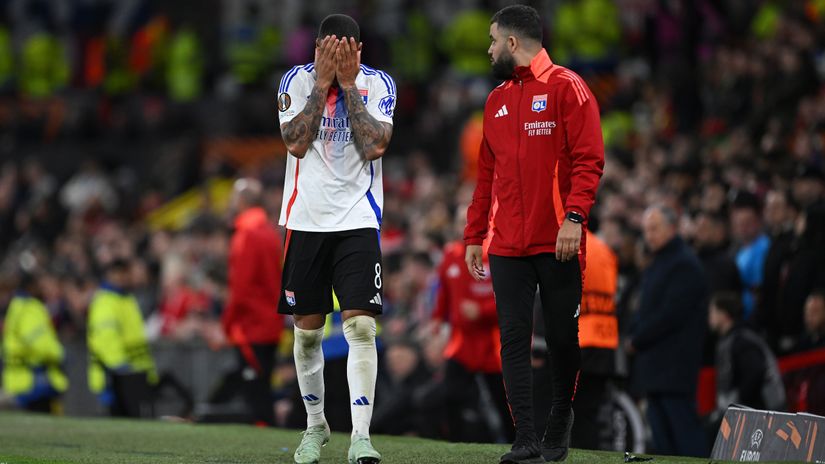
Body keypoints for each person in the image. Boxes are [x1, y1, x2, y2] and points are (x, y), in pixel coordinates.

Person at [464, 5, 604, 462]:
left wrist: (575, 218)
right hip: (506, 245)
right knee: (513, 339)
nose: (487, 50)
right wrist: (473, 235)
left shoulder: (568, 87)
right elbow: (486, 179)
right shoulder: (495, 102)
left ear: (511, 43)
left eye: (491, 41)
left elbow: (589, 160)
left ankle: (560, 416)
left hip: (558, 239)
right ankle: (525, 437)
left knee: (563, 338)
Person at [276, 13, 395, 464]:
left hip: (357, 218)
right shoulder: (296, 80)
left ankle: (360, 437)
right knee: (307, 335)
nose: (334, 59)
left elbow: (375, 146)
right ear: (315, 50)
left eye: (344, 51)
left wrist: (345, 85)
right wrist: (322, 81)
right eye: (327, 51)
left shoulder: (379, 84)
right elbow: (295, 143)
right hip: (305, 220)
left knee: (361, 326)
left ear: (359, 52)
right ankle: (315, 426)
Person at [628, 206, 708, 457]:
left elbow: (670, 315)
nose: (649, 236)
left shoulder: (684, 264)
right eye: (646, 230)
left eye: (655, 229)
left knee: (684, 436)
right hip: (656, 367)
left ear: (673, 228)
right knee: (663, 442)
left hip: (674, 366)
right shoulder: (661, 262)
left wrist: (637, 338)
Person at [210, 178, 285, 426]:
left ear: (242, 201)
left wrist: (226, 326)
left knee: (256, 394)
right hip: (271, 322)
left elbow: (239, 290)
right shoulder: (270, 233)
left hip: (252, 326)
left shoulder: (246, 235)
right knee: (262, 387)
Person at [431, 238, 513, 443]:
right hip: (462, 343)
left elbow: (510, 297)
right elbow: (444, 290)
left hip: (492, 343)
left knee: (504, 400)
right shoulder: (451, 254)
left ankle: (517, 441)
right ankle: (455, 443)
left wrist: (482, 310)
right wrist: (438, 317)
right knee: (450, 395)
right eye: (462, 221)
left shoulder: (496, 253)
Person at [87, 258, 158, 417]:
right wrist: (122, 369)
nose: (128, 277)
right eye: (125, 273)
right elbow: (106, 340)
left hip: (134, 375)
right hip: (115, 378)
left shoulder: (126, 299)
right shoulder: (106, 301)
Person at [707, 292, 785, 427]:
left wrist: (735, 403)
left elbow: (755, 373)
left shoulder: (742, 341)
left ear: (724, 315)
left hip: (762, 413)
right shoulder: (729, 340)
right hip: (746, 411)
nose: (709, 317)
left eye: (713, 312)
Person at [2, 272, 68, 413]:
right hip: (35, 382)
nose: (43, 289)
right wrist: (59, 353)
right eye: (41, 286)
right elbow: (39, 343)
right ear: (32, 287)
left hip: (18, 380)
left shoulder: (15, 306)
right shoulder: (31, 308)